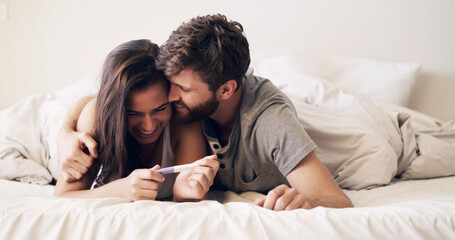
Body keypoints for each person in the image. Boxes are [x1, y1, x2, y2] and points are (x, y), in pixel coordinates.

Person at [59, 14, 353, 210]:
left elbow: (336, 200)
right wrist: (67, 130)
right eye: (170, 85)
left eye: (182, 90)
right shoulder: (178, 103)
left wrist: (306, 204)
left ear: (225, 90)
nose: (171, 98)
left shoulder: (269, 122)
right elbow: (112, 98)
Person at [54, 39, 219, 202]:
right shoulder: (94, 119)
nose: (149, 125)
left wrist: (185, 193)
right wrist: (121, 190)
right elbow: (63, 196)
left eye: (160, 109)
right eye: (133, 113)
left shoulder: (183, 123)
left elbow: (189, 201)